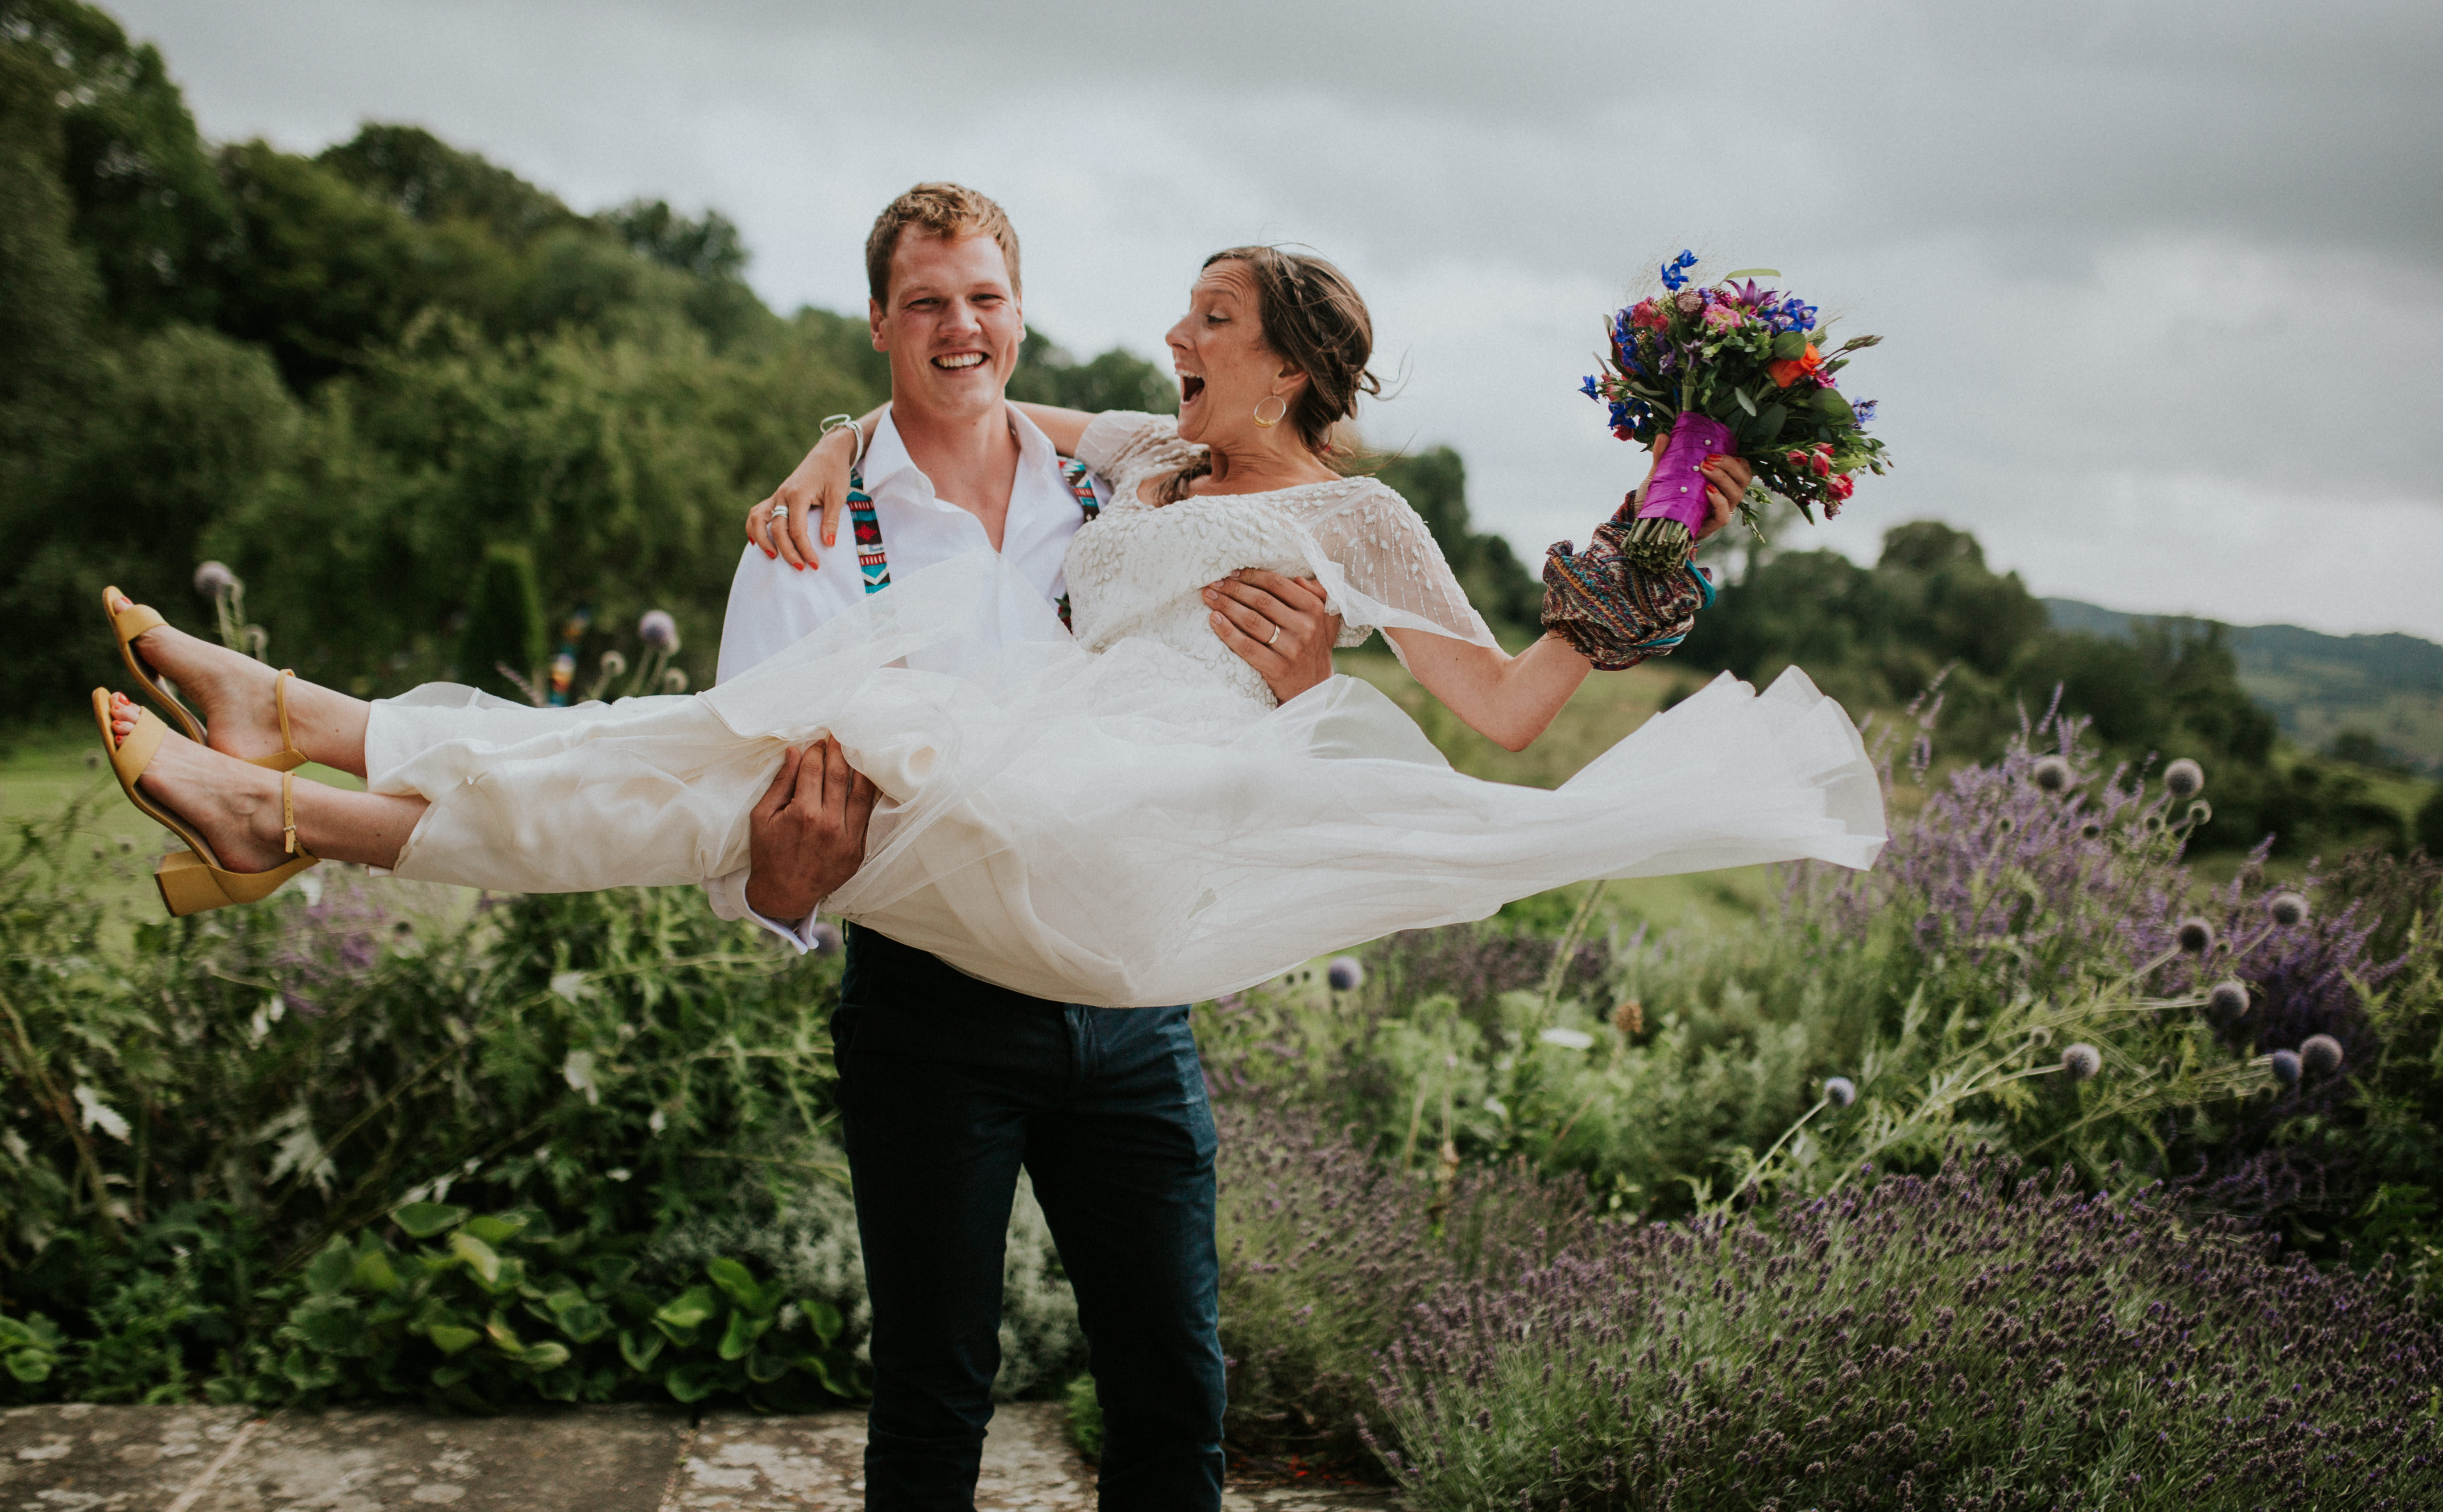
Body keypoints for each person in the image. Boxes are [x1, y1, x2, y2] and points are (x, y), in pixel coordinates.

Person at [92, 183, 1879, 1509]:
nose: (1168, 337)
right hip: (960, 932)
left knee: (1173, 1389)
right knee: (728, 769)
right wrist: (820, 441)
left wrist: (1667, 517)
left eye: (1205, 318)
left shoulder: (1351, 508)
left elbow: (1497, 709)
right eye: (1172, 313)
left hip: (1116, 885)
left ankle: (297, 774)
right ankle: (294, 773)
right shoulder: (1138, 467)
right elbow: (939, 417)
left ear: (1287, 359)